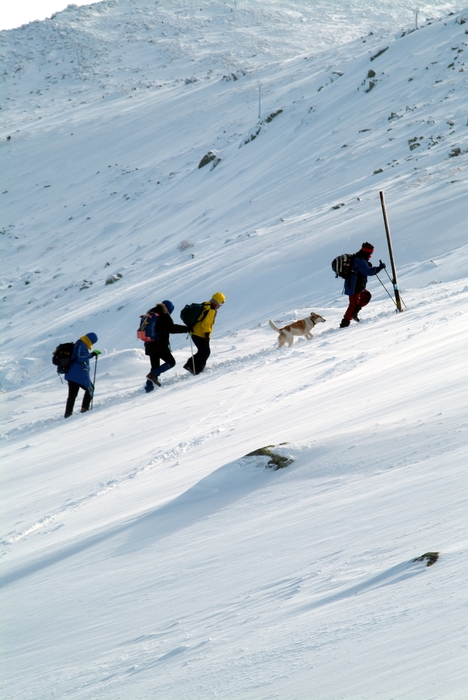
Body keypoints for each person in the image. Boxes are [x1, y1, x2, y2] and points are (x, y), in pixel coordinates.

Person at [145, 300, 188, 392]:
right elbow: (171, 328)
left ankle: (149, 388)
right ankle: (152, 376)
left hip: (149, 344)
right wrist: (187, 329)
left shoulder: (151, 314)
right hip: (160, 346)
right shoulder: (164, 315)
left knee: (155, 366)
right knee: (171, 362)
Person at [340, 242, 386, 327]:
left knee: (366, 296)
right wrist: (379, 268)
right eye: (370, 253)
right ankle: (344, 323)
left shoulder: (360, 258)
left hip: (358, 285)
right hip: (354, 286)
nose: (371, 255)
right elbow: (369, 271)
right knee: (353, 305)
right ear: (366, 252)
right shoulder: (360, 260)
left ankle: (354, 313)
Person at [183, 292, 225, 375]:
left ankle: (191, 366)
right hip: (201, 334)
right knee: (205, 352)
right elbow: (205, 324)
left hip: (194, 332)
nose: (221, 305)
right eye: (221, 303)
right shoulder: (211, 310)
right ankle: (196, 369)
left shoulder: (205, 305)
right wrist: (206, 335)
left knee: (203, 351)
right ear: (218, 301)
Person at [64, 332, 100, 418]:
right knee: (90, 388)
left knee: (72, 395)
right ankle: (85, 409)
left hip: (71, 374)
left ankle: (68, 414)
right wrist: (92, 354)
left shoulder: (78, 343)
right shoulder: (82, 345)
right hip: (78, 374)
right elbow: (80, 357)